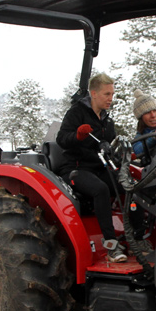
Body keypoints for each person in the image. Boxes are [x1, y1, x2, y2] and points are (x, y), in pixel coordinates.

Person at [56, 73, 127, 263]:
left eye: (112, 94)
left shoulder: (106, 119)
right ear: (93, 93)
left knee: (127, 187)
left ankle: (136, 237)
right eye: (106, 94)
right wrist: (78, 137)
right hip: (75, 168)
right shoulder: (76, 113)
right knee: (100, 189)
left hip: (98, 168)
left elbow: (107, 144)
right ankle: (111, 245)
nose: (110, 98)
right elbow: (62, 140)